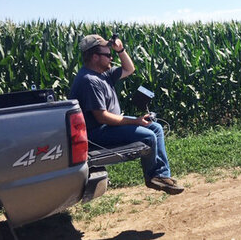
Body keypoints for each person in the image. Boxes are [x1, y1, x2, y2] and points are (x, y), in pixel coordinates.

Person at [69, 34, 183, 195]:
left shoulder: (103, 73)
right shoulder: (89, 80)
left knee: (156, 127)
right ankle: (152, 177)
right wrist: (135, 121)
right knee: (149, 136)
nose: (111, 58)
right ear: (95, 57)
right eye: (108, 55)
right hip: (98, 132)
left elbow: (129, 69)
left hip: (109, 126)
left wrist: (120, 50)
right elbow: (102, 117)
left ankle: (161, 175)